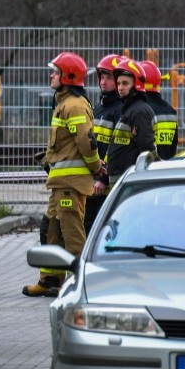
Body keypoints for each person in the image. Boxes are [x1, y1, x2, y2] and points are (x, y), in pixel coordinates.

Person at [22, 52, 102, 297]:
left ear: (67, 77)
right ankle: (50, 280)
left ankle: (82, 283)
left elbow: (86, 143)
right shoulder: (63, 104)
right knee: (51, 231)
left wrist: (97, 167)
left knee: (72, 233)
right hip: (60, 183)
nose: (51, 76)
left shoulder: (74, 105)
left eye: (55, 72)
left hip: (70, 184)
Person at [84, 54, 124, 233]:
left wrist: (103, 178)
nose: (103, 82)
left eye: (109, 78)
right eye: (102, 77)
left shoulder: (120, 110)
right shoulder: (99, 108)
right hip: (91, 182)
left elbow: (116, 148)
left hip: (105, 185)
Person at [106, 58, 157, 185]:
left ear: (136, 84)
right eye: (118, 84)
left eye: (125, 83)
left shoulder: (139, 111)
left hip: (131, 182)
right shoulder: (129, 109)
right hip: (123, 180)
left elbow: (147, 150)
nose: (120, 88)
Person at [140, 60, 179, 160]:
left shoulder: (140, 110)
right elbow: (172, 149)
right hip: (164, 170)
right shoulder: (171, 112)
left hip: (143, 171)